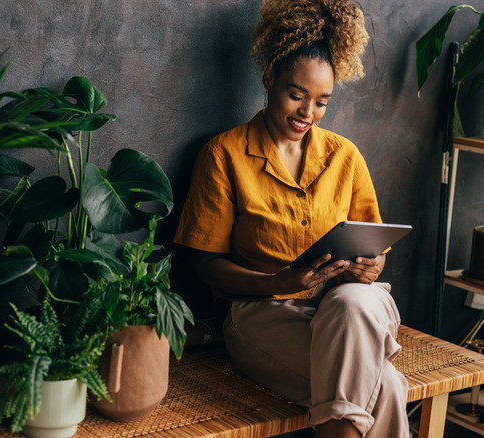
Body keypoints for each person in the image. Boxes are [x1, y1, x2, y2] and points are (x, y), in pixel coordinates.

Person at [173, 1, 410, 437]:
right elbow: (204, 265)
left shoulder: (345, 155)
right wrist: (278, 283)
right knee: (387, 384)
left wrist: (370, 266)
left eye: (322, 102)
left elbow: (374, 250)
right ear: (269, 80)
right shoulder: (223, 154)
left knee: (354, 300)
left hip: (349, 308)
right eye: (296, 94)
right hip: (263, 316)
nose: (308, 113)